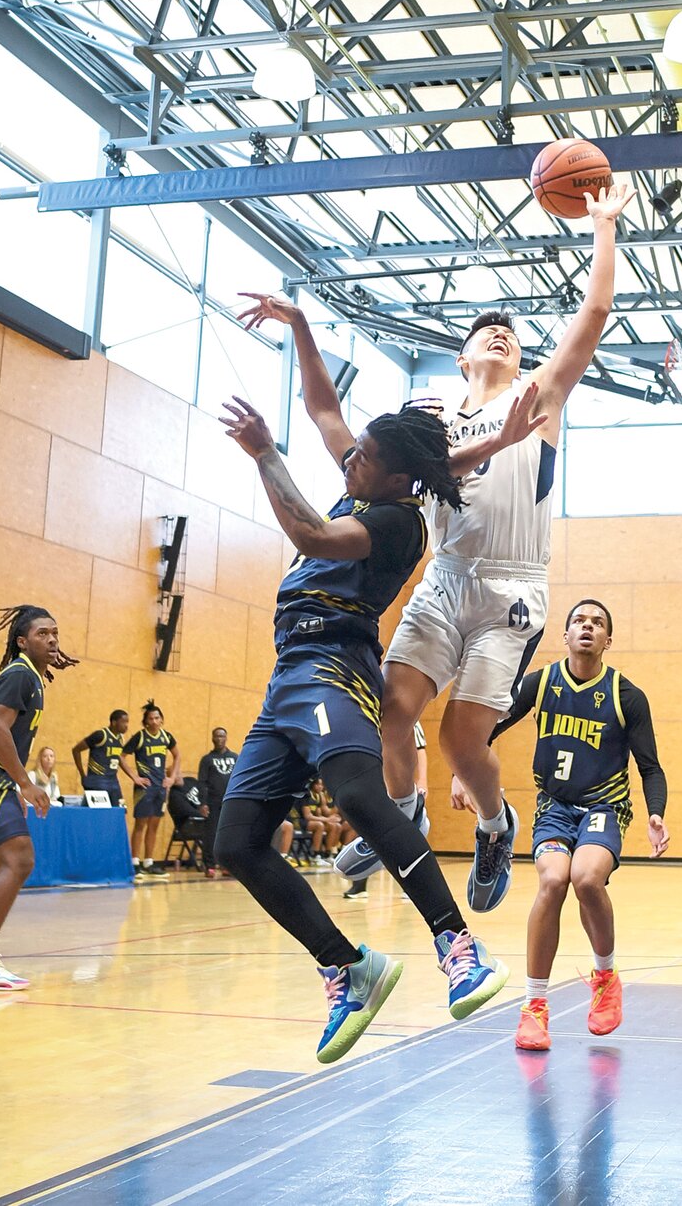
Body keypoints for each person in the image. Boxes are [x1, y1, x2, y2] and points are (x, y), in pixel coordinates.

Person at [309, 181, 634, 912]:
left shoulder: (540, 397)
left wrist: (603, 229)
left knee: (461, 739)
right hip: (446, 576)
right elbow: (357, 455)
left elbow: (594, 315)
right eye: (485, 331)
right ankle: (407, 813)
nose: (499, 333)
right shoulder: (424, 418)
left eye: (510, 334)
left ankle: (494, 826)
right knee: (392, 708)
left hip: (513, 588)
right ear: (458, 359)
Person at [214, 384, 543, 1065]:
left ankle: (459, 947)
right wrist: (300, 323)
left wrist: (265, 454)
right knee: (237, 843)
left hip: (334, 664)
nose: (348, 458)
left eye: (363, 455)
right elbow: (326, 410)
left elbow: (308, 533)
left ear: (397, 477)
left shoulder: (397, 522)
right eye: (354, 450)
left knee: (361, 798)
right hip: (288, 675)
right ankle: (347, 967)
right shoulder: (369, 477)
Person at [490, 599, 669, 1051]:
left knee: (586, 878)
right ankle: (534, 1007)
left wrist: (656, 812)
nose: (587, 627)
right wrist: (462, 769)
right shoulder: (543, 682)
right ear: (565, 635)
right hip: (554, 805)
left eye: (598, 623)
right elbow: (490, 724)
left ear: (609, 640)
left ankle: (606, 978)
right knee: (553, 880)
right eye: (579, 621)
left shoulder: (627, 696)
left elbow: (650, 767)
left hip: (604, 807)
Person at [0, 606, 77, 990]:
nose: (52, 640)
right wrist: (25, 783)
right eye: (43, 634)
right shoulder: (19, 674)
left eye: (55, 634)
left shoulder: (29, 675)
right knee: (20, 857)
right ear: (21, 641)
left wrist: (43, 661)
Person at [344, 722, 428, 902]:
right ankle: (358, 885)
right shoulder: (365, 713)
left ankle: (413, 886)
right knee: (366, 831)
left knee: (405, 836)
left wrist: (422, 780)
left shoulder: (408, 713)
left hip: (399, 788)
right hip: (374, 782)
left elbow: (420, 749)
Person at [120, 702, 179, 882]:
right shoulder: (139, 737)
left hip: (160, 788)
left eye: (157, 718)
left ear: (162, 720)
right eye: (150, 718)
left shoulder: (167, 737)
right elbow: (121, 757)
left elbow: (177, 755)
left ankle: (149, 862)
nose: (154, 721)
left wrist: (172, 777)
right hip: (144, 787)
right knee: (141, 824)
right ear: (145, 722)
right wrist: (134, 777)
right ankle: (135, 862)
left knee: (154, 824)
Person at [197, 728, 238, 878]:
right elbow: (201, 782)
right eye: (217, 736)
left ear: (226, 738)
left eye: (222, 736)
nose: (219, 739)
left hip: (230, 802)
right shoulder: (207, 759)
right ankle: (209, 865)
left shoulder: (235, 757)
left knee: (229, 835)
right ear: (212, 738)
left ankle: (227, 865)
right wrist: (202, 803)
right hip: (213, 802)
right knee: (211, 835)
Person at [72, 709, 130, 806]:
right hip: (97, 780)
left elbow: (119, 759)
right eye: (124, 722)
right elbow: (76, 750)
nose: (126, 725)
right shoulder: (100, 735)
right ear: (114, 722)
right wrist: (82, 774)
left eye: (127, 722)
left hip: (113, 781)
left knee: (118, 813)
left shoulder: (120, 739)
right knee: (97, 815)